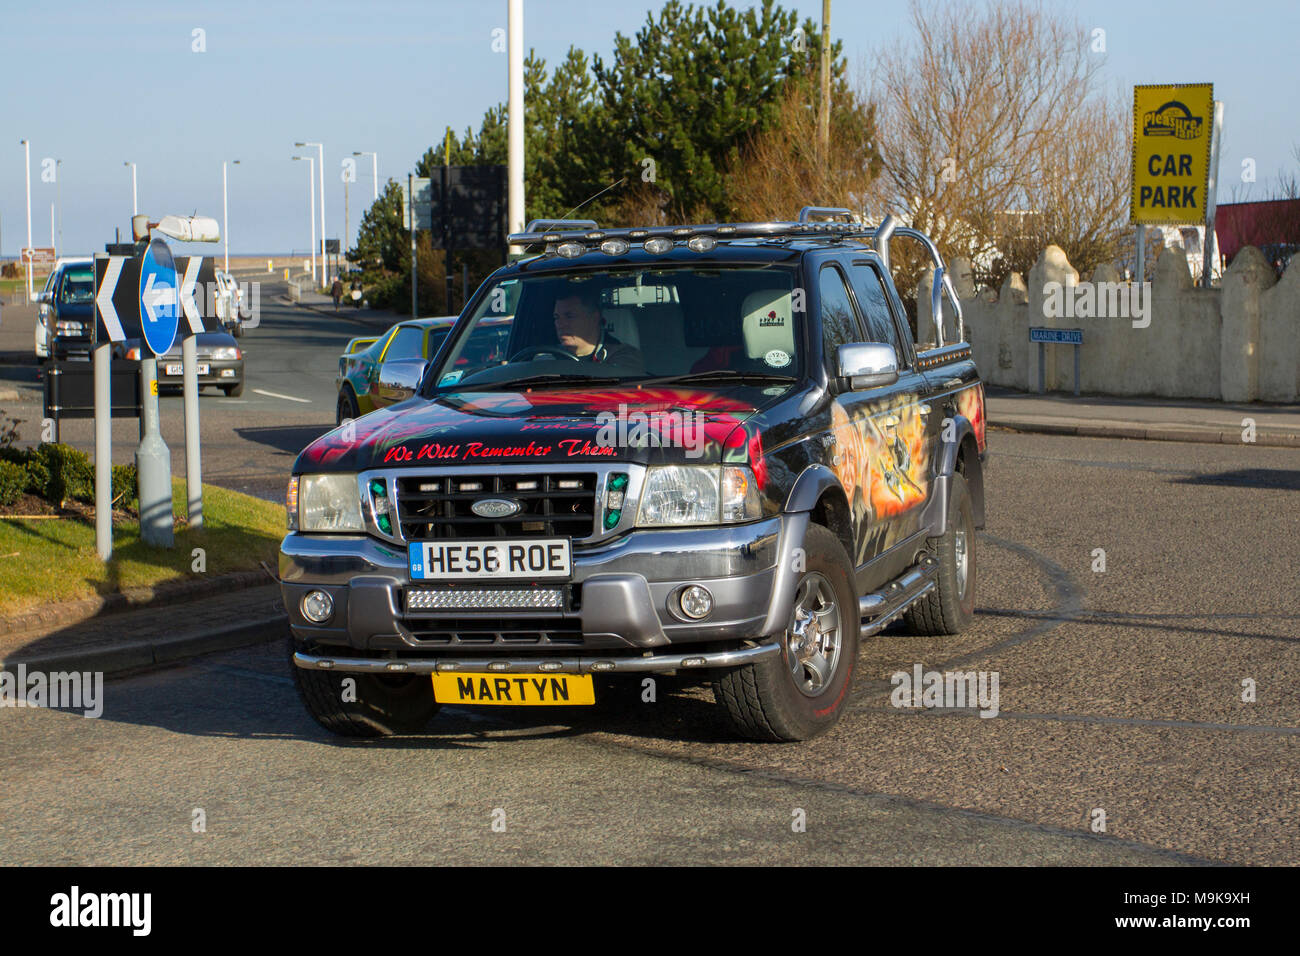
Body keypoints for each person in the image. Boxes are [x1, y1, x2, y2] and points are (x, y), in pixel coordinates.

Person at [551, 288, 643, 367]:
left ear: (594, 318)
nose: (560, 324)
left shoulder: (623, 357)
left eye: (569, 316)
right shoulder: (549, 358)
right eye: (556, 317)